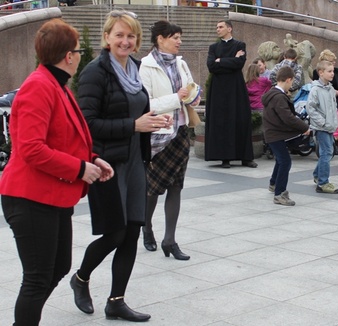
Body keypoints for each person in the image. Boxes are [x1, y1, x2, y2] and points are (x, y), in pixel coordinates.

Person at [0, 19, 113, 326]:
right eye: (78, 50)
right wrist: (80, 169)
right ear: (69, 55)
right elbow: (31, 148)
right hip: (29, 197)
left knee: (59, 267)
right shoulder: (39, 87)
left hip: (52, 197)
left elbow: (62, 139)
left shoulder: (57, 86)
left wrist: (92, 159)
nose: (80, 55)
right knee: (37, 279)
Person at [72, 10, 168, 322]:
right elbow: (86, 124)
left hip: (135, 161)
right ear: (108, 38)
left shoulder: (135, 69)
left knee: (132, 233)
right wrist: (133, 125)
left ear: (137, 40)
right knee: (114, 233)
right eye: (119, 35)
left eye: (130, 36)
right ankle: (81, 278)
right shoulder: (95, 72)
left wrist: (152, 121)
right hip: (107, 165)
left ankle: (116, 301)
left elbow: (137, 110)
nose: (125, 41)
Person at [139, 21, 200, 260]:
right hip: (158, 135)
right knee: (153, 189)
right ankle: (146, 227)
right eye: (175, 37)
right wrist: (176, 98)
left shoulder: (181, 63)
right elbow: (147, 104)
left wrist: (193, 97)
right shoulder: (146, 66)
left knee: (176, 186)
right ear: (160, 39)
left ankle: (170, 240)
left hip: (181, 131)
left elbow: (191, 90)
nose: (179, 41)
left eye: (180, 37)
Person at [205, 20, 257, 169]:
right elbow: (211, 66)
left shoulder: (240, 45)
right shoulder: (213, 47)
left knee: (241, 118)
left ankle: (246, 158)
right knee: (222, 121)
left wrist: (220, 61)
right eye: (216, 27)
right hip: (219, 90)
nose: (217, 29)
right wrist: (231, 60)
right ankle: (225, 158)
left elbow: (239, 64)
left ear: (229, 29)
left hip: (236, 88)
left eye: (220, 27)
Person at [262, 66, 310, 206]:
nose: (292, 84)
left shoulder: (273, 94)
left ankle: (273, 183)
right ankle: (280, 194)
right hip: (275, 134)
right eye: (292, 81)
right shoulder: (278, 97)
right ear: (288, 79)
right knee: (285, 161)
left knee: (281, 160)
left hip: (273, 133)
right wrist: (304, 127)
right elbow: (287, 117)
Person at [307, 60, 338, 194]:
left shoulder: (330, 88)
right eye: (329, 71)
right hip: (322, 127)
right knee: (327, 153)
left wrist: (333, 122)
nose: (332, 73)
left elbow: (333, 107)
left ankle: (317, 174)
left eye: (333, 71)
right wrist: (322, 123)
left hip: (329, 126)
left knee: (327, 152)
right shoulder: (315, 90)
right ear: (321, 73)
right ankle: (323, 182)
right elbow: (311, 108)